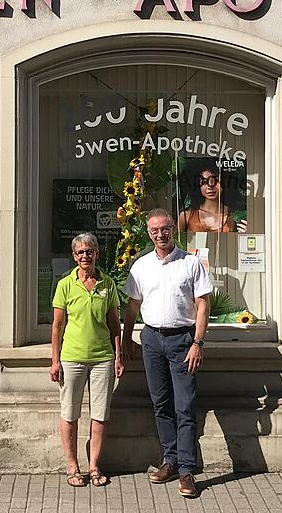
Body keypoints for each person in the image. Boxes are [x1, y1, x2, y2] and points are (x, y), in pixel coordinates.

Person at [122, 208, 213, 498]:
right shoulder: (141, 266)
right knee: (161, 403)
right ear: (149, 234)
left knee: (185, 406)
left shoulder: (190, 263)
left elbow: (202, 306)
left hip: (182, 341)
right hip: (151, 340)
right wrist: (126, 340)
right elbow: (132, 308)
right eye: (154, 231)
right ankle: (170, 460)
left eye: (165, 229)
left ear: (173, 229)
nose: (160, 234)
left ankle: (187, 471)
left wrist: (198, 343)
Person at [50, 232, 124, 488]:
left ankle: (94, 466)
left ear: (96, 254)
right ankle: (72, 466)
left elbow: (115, 324)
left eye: (89, 251)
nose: (85, 256)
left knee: (100, 414)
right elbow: (57, 326)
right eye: (80, 252)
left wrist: (118, 355)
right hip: (71, 358)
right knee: (69, 413)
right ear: (74, 256)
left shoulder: (107, 283)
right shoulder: (65, 285)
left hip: (103, 358)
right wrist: (55, 360)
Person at [177, 161, 247, 233]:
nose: (210, 186)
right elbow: (177, 242)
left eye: (216, 180)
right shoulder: (185, 216)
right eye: (203, 182)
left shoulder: (235, 216)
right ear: (197, 185)